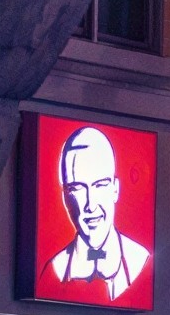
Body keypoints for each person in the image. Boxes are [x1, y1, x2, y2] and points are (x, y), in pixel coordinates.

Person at [49, 126, 151, 300]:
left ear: (115, 189)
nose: (91, 204)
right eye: (77, 188)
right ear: (65, 197)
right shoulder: (55, 269)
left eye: (100, 185)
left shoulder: (141, 261)